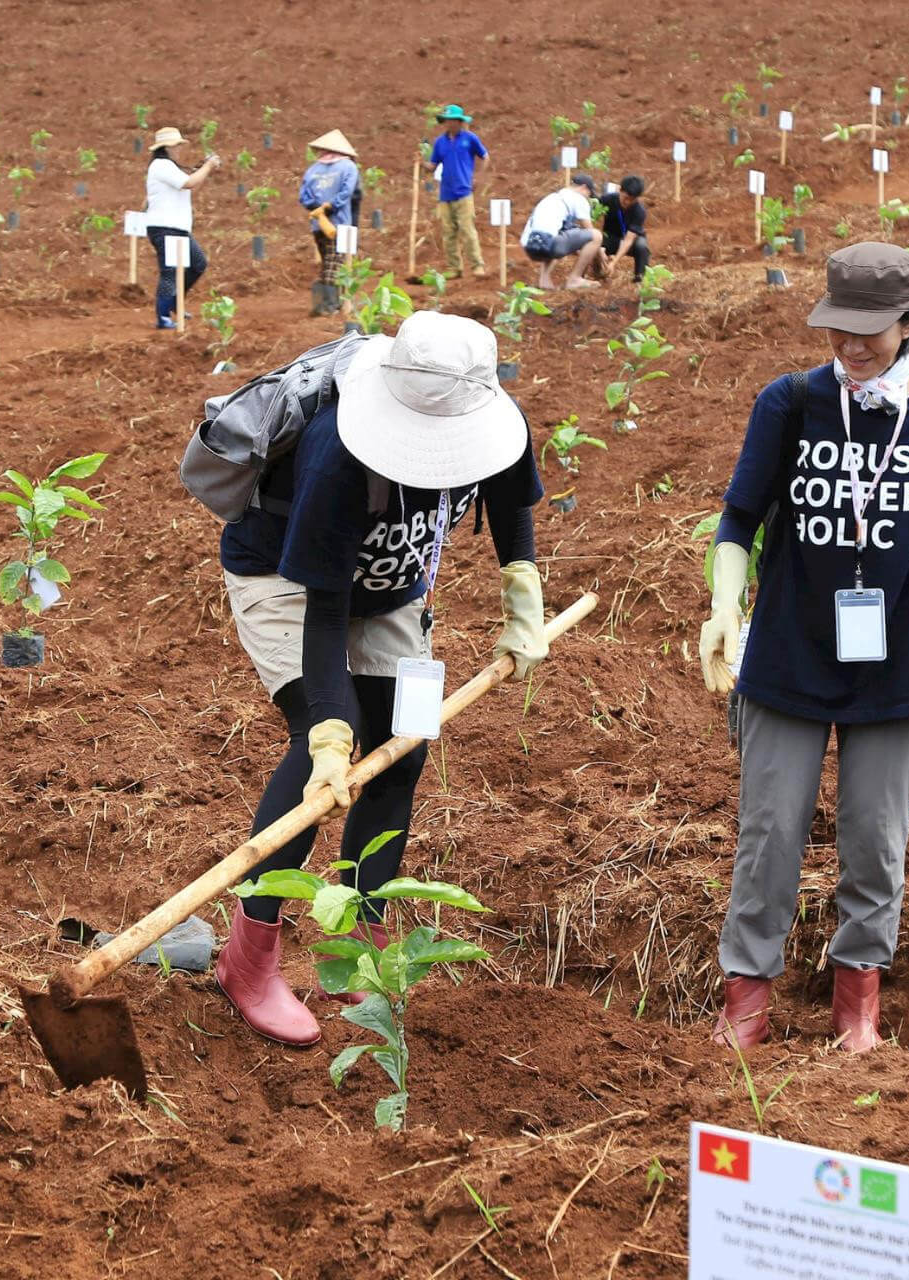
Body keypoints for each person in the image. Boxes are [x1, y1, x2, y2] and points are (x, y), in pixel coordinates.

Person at [213, 311, 548, 1045]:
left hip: (393, 588)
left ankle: (357, 949)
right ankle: (250, 958)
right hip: (288, 583)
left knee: (407, 745)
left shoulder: (487, 410)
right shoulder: (340, 451)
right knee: (319, 748)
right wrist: (333, 735)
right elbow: (326, 617)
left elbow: (509, 497)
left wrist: (521, 589)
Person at [697, 242, 909, 1053]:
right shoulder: (790, 406)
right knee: (768, 835)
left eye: (873, 331)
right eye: (840, 329)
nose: (853, 346)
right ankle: (747, 999)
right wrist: (726, 608)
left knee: (875, 841)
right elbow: (739, 520)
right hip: (790, 654)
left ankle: (856, 1008)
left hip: (897, 664)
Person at [143, 126, 221, 329]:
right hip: (165, 227)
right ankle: (163, 316)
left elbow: (192, 185)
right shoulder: (161, 165)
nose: (179, 149)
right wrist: (209, 166)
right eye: (176, 145)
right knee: (170, 271)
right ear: (166, 147)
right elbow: (188, 183)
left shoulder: (168, 167)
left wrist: (203, 170)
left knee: (198, 264)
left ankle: (175, 302)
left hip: (176, 227)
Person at [301, 129, 361, 317]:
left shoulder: (312, 170)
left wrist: (319, 209)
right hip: (340, 224)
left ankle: (327, 302)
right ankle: (329, 305)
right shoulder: (349, 167)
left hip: (318, 225)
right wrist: (331, 207)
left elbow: (304, 198)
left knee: (328, 261)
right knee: (335, 264)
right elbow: (347, 193)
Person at [428, 104, 489, 279]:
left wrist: (479, 178)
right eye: (446, 120)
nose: (447, 123)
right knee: (448, 233)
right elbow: (433, 165)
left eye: (450, 120)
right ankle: (454, 268)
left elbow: (485, 156)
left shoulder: (470, 139)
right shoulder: (440, 142)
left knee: (467, 230)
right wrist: (422, 163)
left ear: (458, 122)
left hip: (464, 192)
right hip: (445, 193)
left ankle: (477, 265)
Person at [521, 173, 601, 290]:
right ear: (584, 187)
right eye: (589, 194)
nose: (588, 198)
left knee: (555, 234)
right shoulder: (579, 199)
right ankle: (574, 279)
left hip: (529, 247)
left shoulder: (554, 197)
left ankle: (544, 280)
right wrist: (601, 257)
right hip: (548, 245)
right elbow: (590, 230)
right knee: (597, 235)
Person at [597, 175, 650, 284]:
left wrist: (614, 262)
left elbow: (628, 240)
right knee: (594, 240)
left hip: (630, 242)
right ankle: (598, 272)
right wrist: (599, 248)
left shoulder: (639, 211)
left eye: (632, 200)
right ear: (620, 190)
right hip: (611, 238)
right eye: (625, 198)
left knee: (641, 245)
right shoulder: (607, 199)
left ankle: (640, 279)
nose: (627, 202)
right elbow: (591, 215)